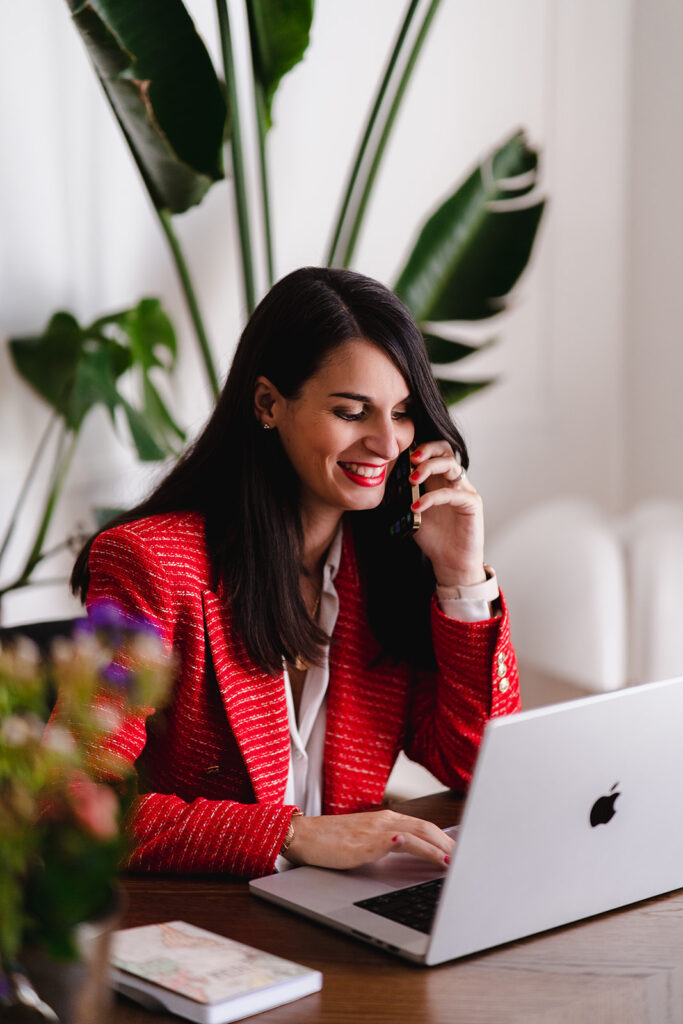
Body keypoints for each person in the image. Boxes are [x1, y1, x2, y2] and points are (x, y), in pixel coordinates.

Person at [70, 266, 520, 880]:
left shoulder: (389, 564)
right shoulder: (153, 565)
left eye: (403, 412)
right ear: (268, 404)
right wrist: (294, 834)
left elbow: (477, 765)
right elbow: (71, 806)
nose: (388, 443)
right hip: (210, 926)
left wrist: (460, 574)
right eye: (352, 411)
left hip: (343, 912)